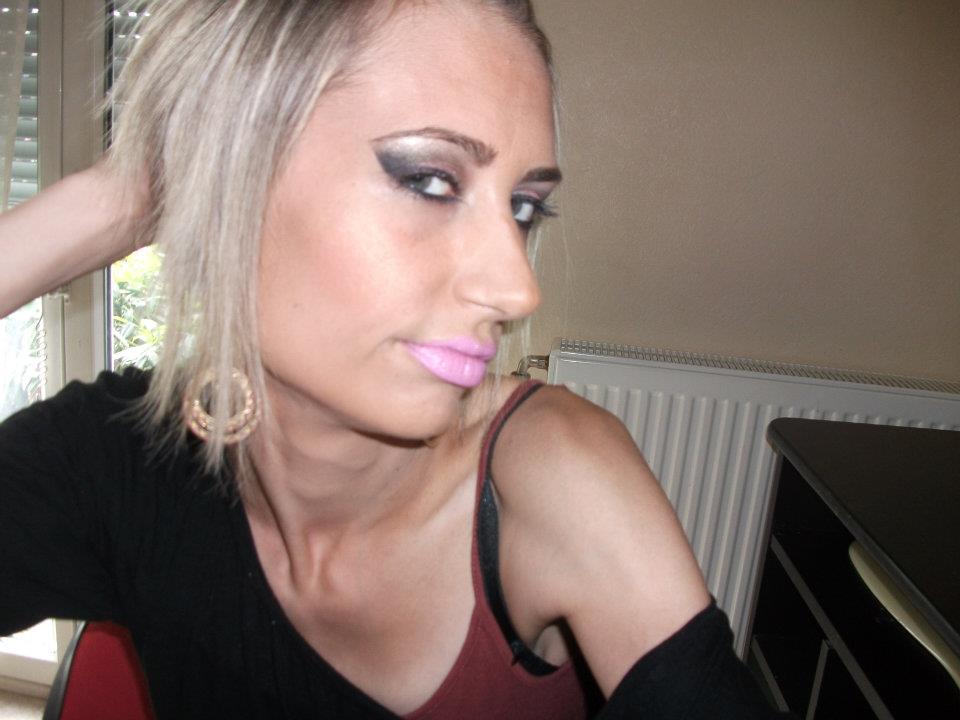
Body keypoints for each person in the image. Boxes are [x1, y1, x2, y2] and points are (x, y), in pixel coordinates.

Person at [0, 1, 790, 718]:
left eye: (523, 207)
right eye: (431, 181)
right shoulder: (123, 461)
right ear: (228, 173)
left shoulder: (546, 479)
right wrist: (122, 195)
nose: (518, 289)